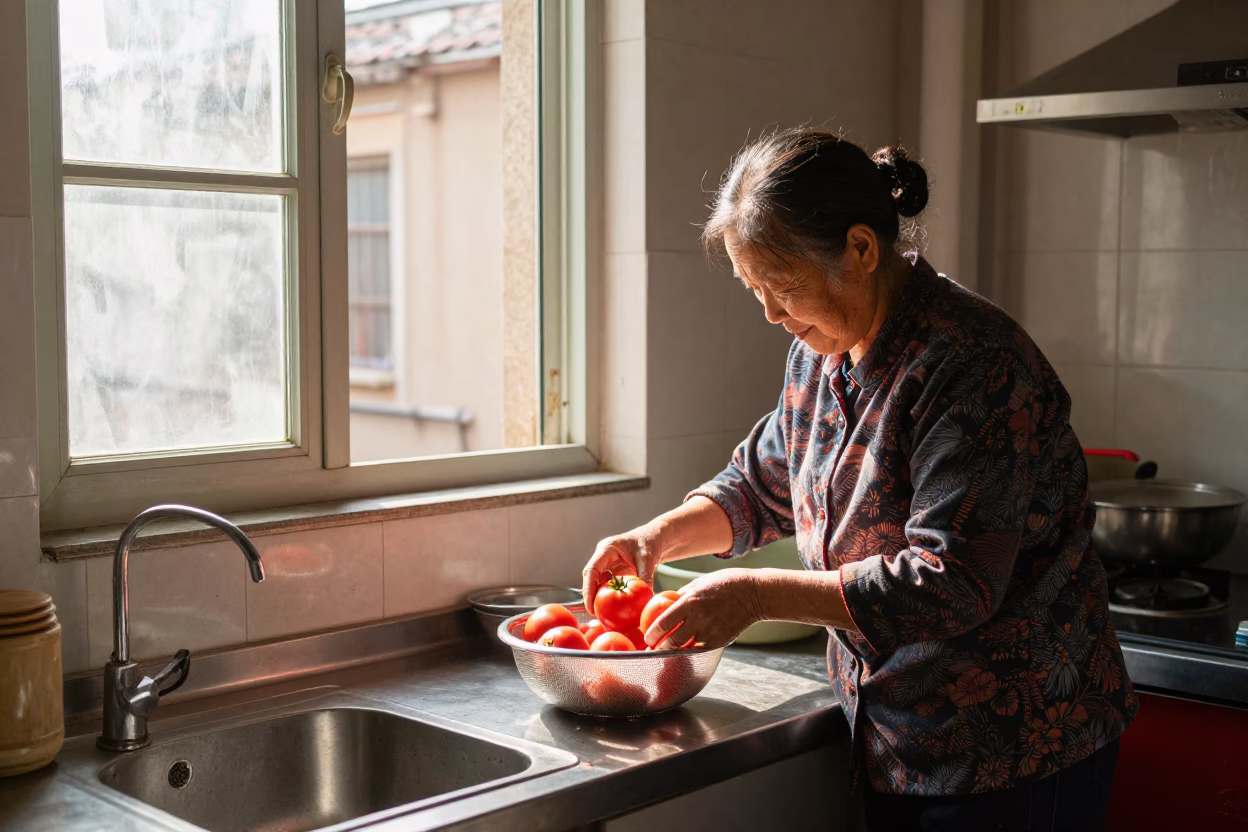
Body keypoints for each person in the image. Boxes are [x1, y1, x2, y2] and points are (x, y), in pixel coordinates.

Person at [580, 127, 1136, 831]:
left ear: (862, 250)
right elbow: (762, 483)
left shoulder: (972, 365)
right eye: (756, 290)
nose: (772, 315)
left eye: (781, 288)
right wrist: (653, 539)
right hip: (891, 733)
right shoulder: (820, 353)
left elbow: (953, 579)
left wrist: (753, 593)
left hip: (1013, 744)